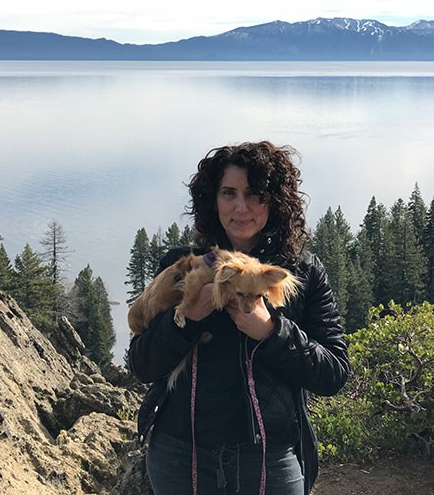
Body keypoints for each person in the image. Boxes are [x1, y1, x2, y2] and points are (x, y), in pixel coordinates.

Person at [128, 141, 350, 495]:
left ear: (274, 201)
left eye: (255, 194)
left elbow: (334, 373)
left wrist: (272, 332)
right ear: (212, 200)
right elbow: (141, 364)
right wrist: (190, 318)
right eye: (228, 193)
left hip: (270, 461)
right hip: (180, 457)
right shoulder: (184, 267)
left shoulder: (299, 273)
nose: (241, 207)